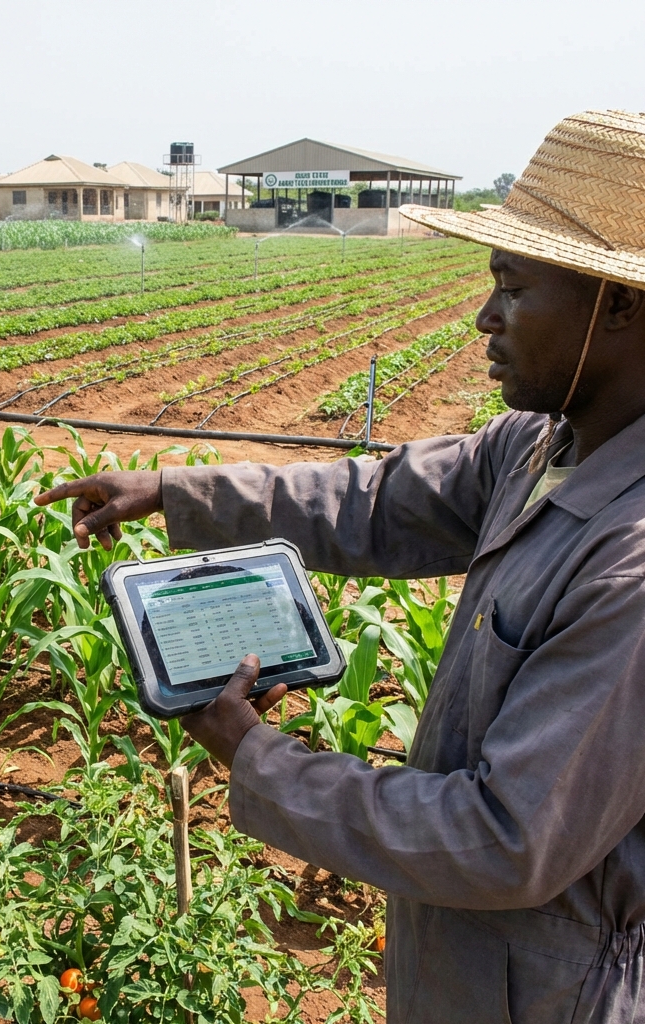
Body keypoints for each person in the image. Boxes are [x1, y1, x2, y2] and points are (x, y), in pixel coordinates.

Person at [35, 110, 645, 1022]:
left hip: (553, 994)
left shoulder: (630, 566)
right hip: (467, 963)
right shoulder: (538, 445)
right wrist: (175, 490)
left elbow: (505, 841)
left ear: (620, 303)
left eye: (513, 287)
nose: (484, 317)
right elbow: (371, 500)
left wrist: (258, 758)